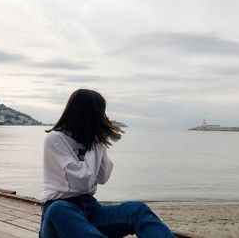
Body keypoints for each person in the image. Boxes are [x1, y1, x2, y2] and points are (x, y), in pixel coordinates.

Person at [39, 89, 174, 238]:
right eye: (100, 113)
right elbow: (81, 182)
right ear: (89, 114)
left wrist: (99, 140)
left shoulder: (92, 140)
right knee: (58, 208)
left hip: (91, 209)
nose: (104, 117)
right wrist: (95, 140)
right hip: (60, 215)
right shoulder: (55, 139)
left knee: (138, 209)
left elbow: (103, 176)